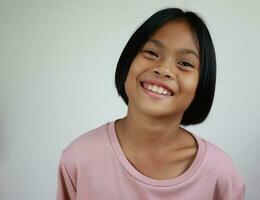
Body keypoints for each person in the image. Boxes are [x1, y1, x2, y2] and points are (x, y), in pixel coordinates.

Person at [56, 8, 245, 200]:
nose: (163, 69)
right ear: (128, 60)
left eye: (186, 64)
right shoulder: (79, 158)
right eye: (151, 52)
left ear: (202, 83)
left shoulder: (220, 175)